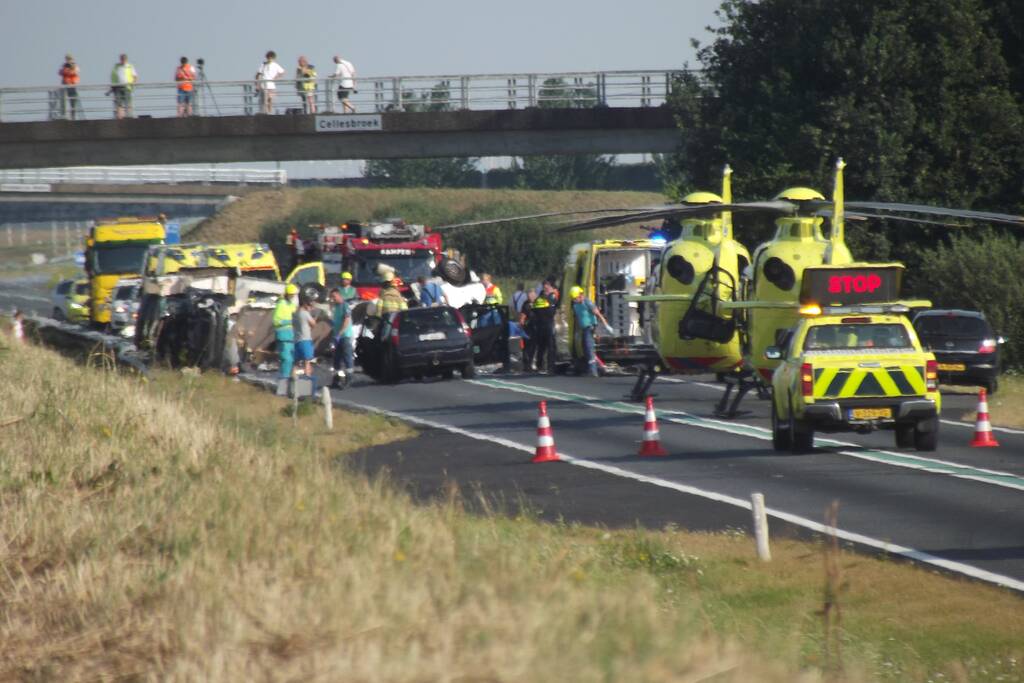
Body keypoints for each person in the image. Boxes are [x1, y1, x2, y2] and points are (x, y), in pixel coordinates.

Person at [570, 285, 609, 377]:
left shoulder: (587, 302)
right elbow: (578, 318)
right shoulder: (575, 305)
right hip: (584, 328)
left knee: (589, 347)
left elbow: (598, 314)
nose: (574, 300)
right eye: (573, 298)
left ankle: (593, 371)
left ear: (580, 295)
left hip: (590, 327)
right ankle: (598, 367)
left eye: (575, 298)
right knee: (585, 348)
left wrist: (606, 326)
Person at [329, 288, 354, 388]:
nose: (332, 299)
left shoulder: (345, 306)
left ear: (339, 295)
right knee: (336, 359)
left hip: (345, 336)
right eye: (331, 297)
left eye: (334, 296)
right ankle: (336, 380)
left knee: (347, 358)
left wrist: (339, 334)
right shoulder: (336, 307)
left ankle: (349, 379)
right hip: (337, 337)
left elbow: (346, 321)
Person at [531, 281, 559, 373]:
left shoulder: (540, 298)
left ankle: (542, 366)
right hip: (546, 324)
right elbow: (553, 310)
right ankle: (549, 366)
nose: (547, 289)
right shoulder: (551, 297)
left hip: (542, 324)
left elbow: (534, 310)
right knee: (548, 346)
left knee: (543, 346)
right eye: (546, 287)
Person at [273, 283, 299, 380]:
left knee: (291, 359)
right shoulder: (281, 304)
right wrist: (289, 321)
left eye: (294, 295)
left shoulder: (291, 305)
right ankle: (284, 379)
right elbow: (276, 321)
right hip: (283, 335)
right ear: (287, 294)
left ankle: (288, 378)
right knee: (286, 359)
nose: (293, 296)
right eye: (291, 295)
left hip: (291, 336)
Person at [293, 295, 318, 378]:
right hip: (305, 340)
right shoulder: (305, 313)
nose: (311, 307)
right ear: (304, 304)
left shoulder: (295, 313)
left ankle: (293, 380)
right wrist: (315, 317)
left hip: (296, 340)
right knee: (307, 362)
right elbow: (313, 324)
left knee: (295, 363)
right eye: (310, 305)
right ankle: (307, 379)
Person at [255, 51, 285, 115]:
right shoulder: (263, 64)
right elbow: (258, 74)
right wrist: (257, 85)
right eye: (268, 57)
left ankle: (270, 112)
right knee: (264, 100)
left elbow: (282, 72)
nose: (269, 59)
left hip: (271, 85)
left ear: (273, 58)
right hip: (263, 85)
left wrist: (276, 78)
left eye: (271, 58)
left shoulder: (275, 65)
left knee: (270, 99)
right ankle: (265, 112)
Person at [110, 53, 138, 119]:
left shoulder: (130, 66)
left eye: (124, 59)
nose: (123, 60)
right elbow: (113, 76)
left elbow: (135, 76)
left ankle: (129, 116)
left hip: (127, 87)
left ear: (126, 59)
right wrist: (112, 87)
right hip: (117, 87)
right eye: (122, 59)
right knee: (119, 103)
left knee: (128, 102)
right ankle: (120, 117)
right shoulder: (116, 66)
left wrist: (132, 84)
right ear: (120, 59)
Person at [58, 54, 81, 120]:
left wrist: (71, 67)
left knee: (73, 102)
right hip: (65, 86)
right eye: (67, 59)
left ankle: (73, 116)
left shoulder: (75, 66)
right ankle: (63, 115)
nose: (68, 60)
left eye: (69, 59)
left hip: (72, 86)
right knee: (63, 101)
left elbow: (75, 72)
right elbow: (60, 72)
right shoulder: (64, 66)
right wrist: (66, 68)